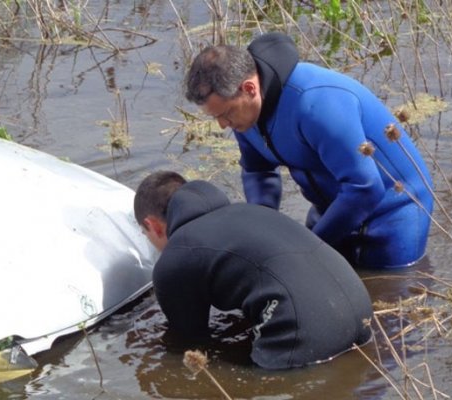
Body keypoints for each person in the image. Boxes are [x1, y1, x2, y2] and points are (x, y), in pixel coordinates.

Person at [185, 32, 434, 269]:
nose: (223, 125)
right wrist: (262, 233)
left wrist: (308, 248)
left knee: (390, 299)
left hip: (393, 212)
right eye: (216, 117)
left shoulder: (316, 104)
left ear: (249, 89)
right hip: (332, 207)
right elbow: (257, 171)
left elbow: (364, 188)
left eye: (226, 113)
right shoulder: (246, 116)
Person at [133, 171, 373, 370]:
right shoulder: (252, 211)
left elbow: (189, 342)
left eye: (146, 235)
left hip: (308, 332)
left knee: (248, 384)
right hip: (361, 310)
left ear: (151, 225)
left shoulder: (176, 255)